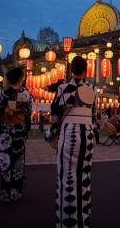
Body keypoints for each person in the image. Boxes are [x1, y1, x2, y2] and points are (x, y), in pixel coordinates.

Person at [46, 56, 98, 228]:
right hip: (88, 135)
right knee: (84, 175)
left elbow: (55, 114)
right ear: (86, 69)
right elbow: (94, 115)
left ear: (71, 70)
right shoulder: (92, 88)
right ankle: (84, 218)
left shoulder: (63, 88)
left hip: (69, 134)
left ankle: (68, 222)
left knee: (67, 177)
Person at [0, 68, 32, 204]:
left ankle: (5, 194)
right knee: (18, 163)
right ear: (20, 79)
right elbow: (28, 114)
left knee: (5, 163)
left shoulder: (3, 94)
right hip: (20, 132)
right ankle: (16, 192)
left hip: (6, 132)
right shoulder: (26, 95)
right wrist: (26, 127)